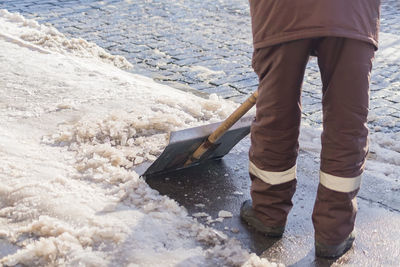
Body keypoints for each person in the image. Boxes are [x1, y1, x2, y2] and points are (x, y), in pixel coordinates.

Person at [240, 0, 381, 258]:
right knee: (347, 118)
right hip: (353, 10)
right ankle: (334, 232)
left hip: (281, 10)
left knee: (276, 111)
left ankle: (268, 213)